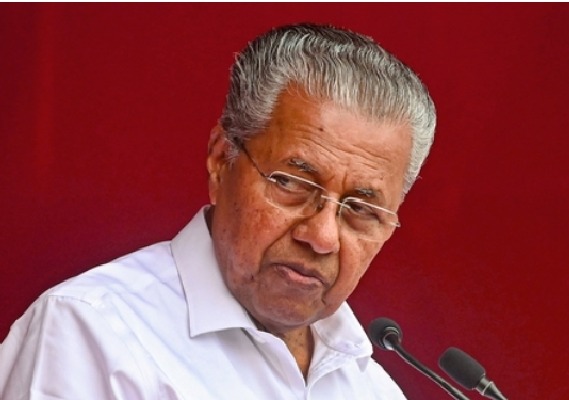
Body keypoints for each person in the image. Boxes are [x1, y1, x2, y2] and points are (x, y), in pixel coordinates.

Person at [0, 23, 436, 399]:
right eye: (291, 184)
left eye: (360, 209)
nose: (321, 236)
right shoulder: (90, 332)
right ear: (221, 160)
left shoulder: (371, 386)